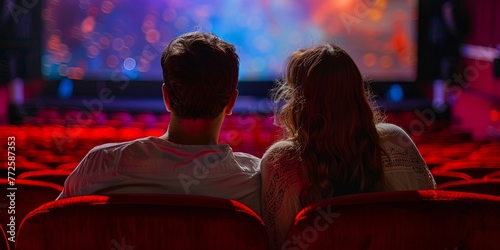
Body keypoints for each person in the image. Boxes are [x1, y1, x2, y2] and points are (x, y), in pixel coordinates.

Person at [58, 32, 261, 214]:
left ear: (166, 97)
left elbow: (47, 231)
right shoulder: (255, 182)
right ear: (231, 102)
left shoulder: (100, 165)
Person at [261, 43, 436, 248]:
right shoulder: (397, 140)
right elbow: (428, 221)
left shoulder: (281, 160)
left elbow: (278, 244)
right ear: (358, 92)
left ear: (298, 101)